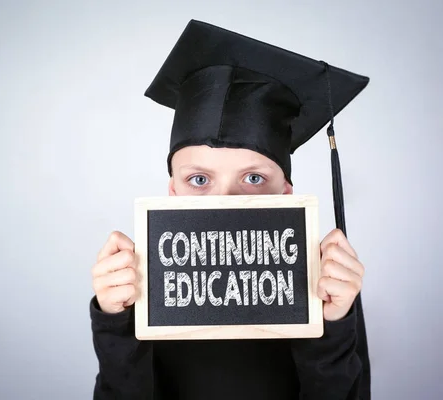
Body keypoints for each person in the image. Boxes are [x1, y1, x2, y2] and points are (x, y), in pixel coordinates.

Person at [89, 20, 371, 399]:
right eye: (199, 180)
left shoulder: (324, 284)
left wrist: (333, 324)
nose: (225, 199)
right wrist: (115, 324)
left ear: (286, 194)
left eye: (253, 178)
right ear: (172, 192)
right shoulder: (142, 283)